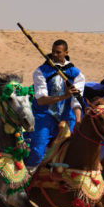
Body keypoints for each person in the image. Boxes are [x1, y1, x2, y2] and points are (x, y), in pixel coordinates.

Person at [26, 39, 85, 167]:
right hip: (44, 116)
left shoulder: (76, 74)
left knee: (79, 150)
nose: (54, 55)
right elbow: (41, 100)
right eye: (53, 52)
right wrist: (64, 96)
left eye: (58, 52)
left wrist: (79, 120)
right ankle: (26, 179)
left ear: (66, 53)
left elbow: (76, 101)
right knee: (37, 151)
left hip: (68, 116)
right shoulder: (41, 71)